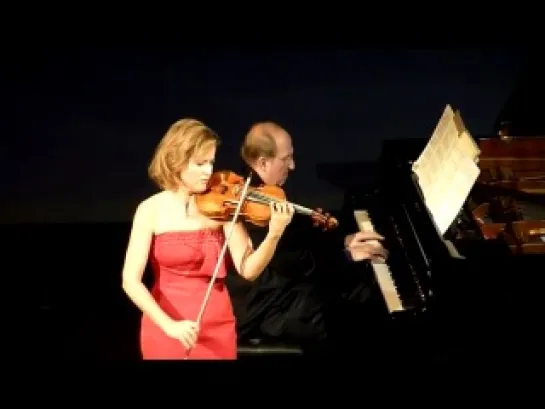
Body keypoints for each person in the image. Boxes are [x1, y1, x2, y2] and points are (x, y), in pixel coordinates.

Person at [121, 118, 294, 360]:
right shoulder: (149, 210)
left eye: (211, 162)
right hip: (164, 328)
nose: (209, 171)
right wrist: (170, 325)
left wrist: (274, 234)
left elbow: (248, 269)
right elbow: (130, 280)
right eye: (200, 163)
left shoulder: (221, 208)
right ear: (176, 161)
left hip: (216, 327)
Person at [226, 121, 388, 355]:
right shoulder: (249, 207)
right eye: (286, 159)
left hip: (284, 287)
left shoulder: (257, 187)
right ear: (262, 162)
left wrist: (342, 241)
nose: (292, 165)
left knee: (362, 292)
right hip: (266, 305)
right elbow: (299, 264)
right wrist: (344, 256)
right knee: (355, 317)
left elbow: (298, 240)